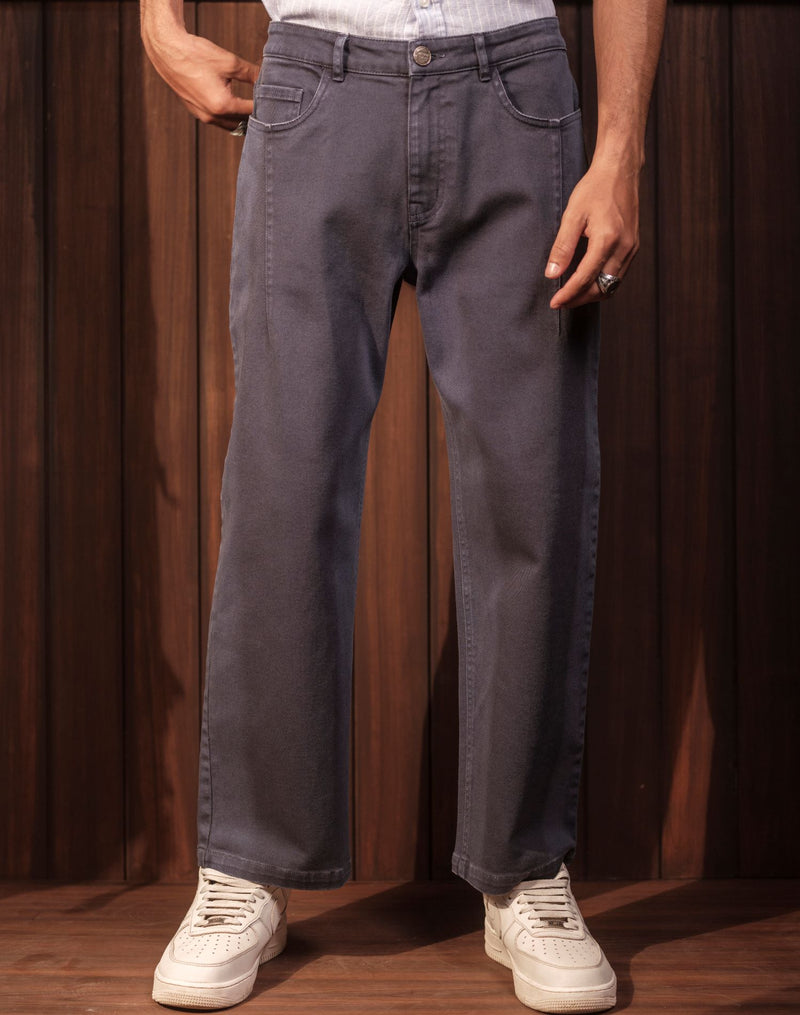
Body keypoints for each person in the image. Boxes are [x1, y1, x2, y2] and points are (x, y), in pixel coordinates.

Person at [140, 0, 666, 1011]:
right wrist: (157, 24)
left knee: (534, 490)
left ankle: (523, 867)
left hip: (515, 92)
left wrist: (620, 150)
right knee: (282, 492)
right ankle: (247, 862)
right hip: (316, 84)